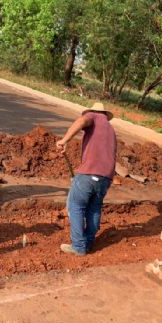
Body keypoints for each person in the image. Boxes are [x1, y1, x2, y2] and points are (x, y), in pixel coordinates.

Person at [56, 102, 117, 255]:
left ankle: (78, 246)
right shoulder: (110, 128)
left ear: (94, 111)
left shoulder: (92, 116)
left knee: (75, 206)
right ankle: (88, 243)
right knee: (94, 208)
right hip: (106, 177)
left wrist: (64, 141)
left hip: (89, 173)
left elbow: (82, 121)